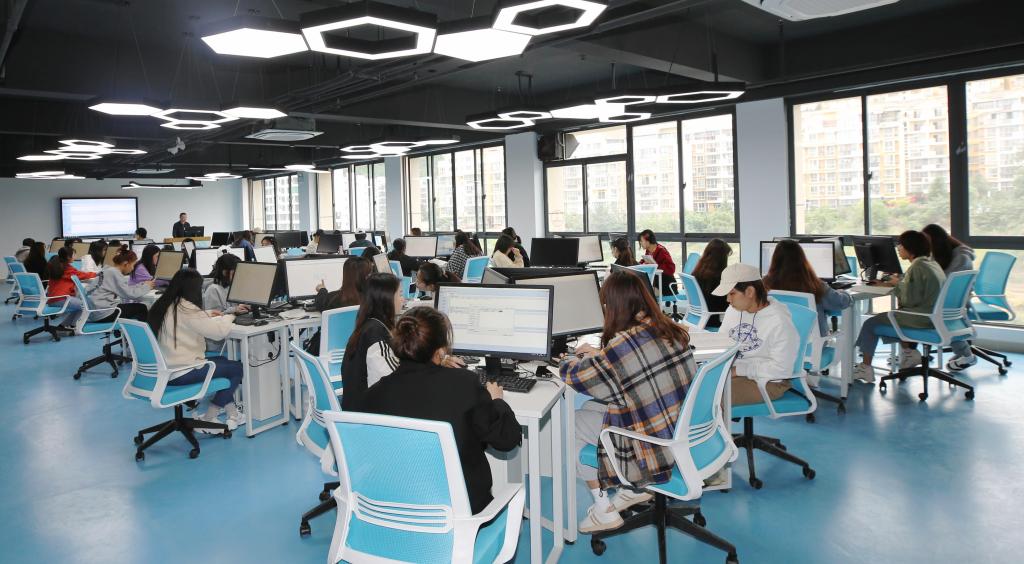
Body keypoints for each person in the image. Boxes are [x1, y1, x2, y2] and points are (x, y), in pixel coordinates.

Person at [561, 270, 696, 533]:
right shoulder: (669, 329)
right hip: (678, 429)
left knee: (571, 422)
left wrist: (567, 360)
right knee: (590, 408)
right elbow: (630, 367)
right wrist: (602, 356)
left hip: (652, 448)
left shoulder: (624, 345)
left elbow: (578, 378)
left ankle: (605, 510)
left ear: (614, 306)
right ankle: (632, 491)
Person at [361, 307, 521, 514]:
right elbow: (506, 440)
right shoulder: (464, 385)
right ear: (440, 350)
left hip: (397, 509)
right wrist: (497, 401)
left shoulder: (374, 395)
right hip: (460, 511)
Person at [148, 269, 244, 430]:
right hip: (182, 372)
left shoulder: (166, 304)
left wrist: (206, 314)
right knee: (236, 368)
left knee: (223, 361)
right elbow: (218, 333)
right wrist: (231, 316)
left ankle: (232, 413)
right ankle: (210, 417)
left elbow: (187, 320)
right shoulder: (189, 310)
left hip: (166, 370)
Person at [852, 231, 946, 383]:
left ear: (911, 248)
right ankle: (909, 353)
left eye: (901, 245)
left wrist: (897, 284)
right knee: (894, 316)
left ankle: (865, 369)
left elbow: (910, 300)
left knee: (870, 324)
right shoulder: (930, 263)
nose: (898, 248)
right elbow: (916, 287)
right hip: (933, 315)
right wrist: (898, 282)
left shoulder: (917, 267)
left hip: (921, 318)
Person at [714, 263, 800, 406]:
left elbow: (781, 369)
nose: (728, 300)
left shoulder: (779, 322)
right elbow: (721, 342)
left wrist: (737, 370)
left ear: (750, 291)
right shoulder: (733, 311)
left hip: (768, 381)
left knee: (709, 397)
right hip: (734, 372)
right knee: (690, 387)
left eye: (732, 293)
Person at [339, 273, 403, 411]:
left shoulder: (368, 325)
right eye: (400, 294)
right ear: (387, 299)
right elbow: (395, 381)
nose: (403, 299)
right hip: (367, 416)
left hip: (358, 406)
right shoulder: (376, 335)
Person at [763, 239, 852, 338]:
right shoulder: (814, 285)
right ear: (802, 259)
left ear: (774, 260)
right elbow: (841, 302)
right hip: (812, 344)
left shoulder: (764, 285)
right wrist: (844, 293)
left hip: (778, 342)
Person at [921, 224, 977, 370]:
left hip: (955, 302)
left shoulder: (961, 258)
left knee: (917, 309)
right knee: (915, 305)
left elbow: (945, 283)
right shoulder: (944, 255)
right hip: (945, 299)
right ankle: (910, 352)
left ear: (937, 242)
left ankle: (965, 354)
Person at [86, 246, 153, 322]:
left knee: (133, 307)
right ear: (126, 264)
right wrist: (147, 287)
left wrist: (142, 285)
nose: (132, 268)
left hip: (96, 311)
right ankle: (143, 329)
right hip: (103, 313)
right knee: (142, 308)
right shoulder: (114, 273)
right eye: (133, 265)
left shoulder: (108, 270)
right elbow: (130, 294)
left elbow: (125, 288)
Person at [46, 247, 97, 330]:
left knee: (79, 306)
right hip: (61, 299)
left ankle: (65, 326)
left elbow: (78, 274)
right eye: (74, 254)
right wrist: (98, 274)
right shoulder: (67, 269)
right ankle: (72, 325)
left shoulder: (59, 266)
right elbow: (82, 275)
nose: (75, 256)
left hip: (53, 299)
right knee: (86, 305)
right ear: (68, 257)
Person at [690, 239, 733, 329]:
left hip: (699, 318)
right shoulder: (718, 278)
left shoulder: (697, 272)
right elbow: (725, 304)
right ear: (721, 258)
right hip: (713, 320)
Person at [638, 229, 676, 296]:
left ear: (648, 241)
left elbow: (671, 269)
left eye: (641, 241)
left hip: (667, 285)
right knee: (640, 289)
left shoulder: (662, 251)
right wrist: (640, 263)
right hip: (656, 282)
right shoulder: (649, 251)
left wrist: (656, 266)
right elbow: (644, 261)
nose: (640, 243)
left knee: (643, 293)